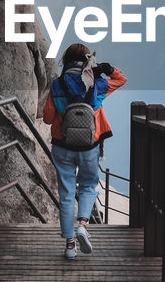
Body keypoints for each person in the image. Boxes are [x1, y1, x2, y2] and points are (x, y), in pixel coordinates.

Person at [43, 42, 127, 260]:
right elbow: (121, 80)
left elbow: (47, 118)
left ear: (67, 60)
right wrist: (108, 70)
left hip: (62, 146)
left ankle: (70, 246)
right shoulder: (97, 83)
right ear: (87, 61)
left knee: (67, 192)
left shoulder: (57, 84)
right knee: (89, 185)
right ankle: (83, 224)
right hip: (90, 146)